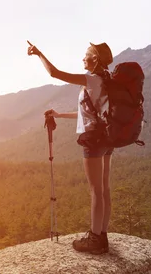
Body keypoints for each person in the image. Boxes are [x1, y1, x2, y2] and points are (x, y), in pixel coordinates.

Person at [27, 40, 114, 255]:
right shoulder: (106, 81)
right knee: (104, 188)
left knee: (95, 190)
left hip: (93, 139)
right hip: (106, 138)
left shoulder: (92, 79)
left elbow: (54, 73)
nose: (83, 58)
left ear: (95, 60)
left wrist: (39, 53)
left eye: (86, 55)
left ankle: (95, 239)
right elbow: (88, 113)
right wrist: (59, 115)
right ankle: (102, 235)